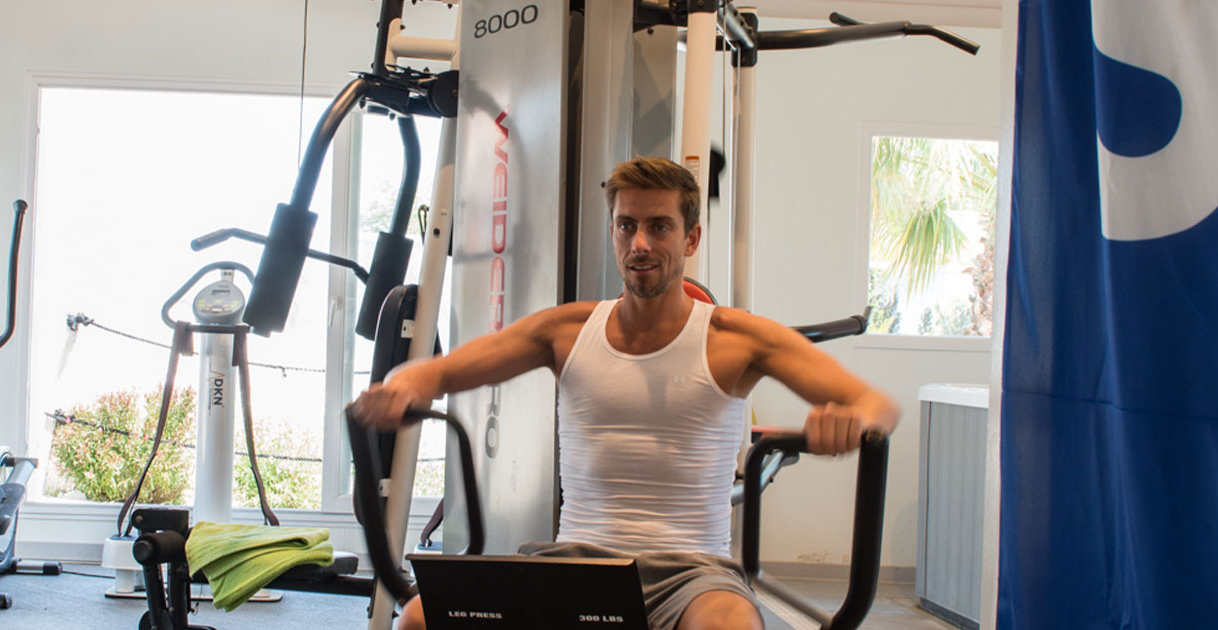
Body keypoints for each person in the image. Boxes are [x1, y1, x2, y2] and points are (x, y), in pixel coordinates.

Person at [351, 157, 900, 630]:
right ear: (613, 232)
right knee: (420, 617)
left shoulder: (737, 339)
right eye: (626, 225)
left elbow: (876, 404)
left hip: (692, 574)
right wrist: (399, 388)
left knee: (729, 624)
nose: (640, 243)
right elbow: (440, 373)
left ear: (690, 238)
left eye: (659, 227)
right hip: (573, 562)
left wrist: (851, 424)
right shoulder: (565, 330)